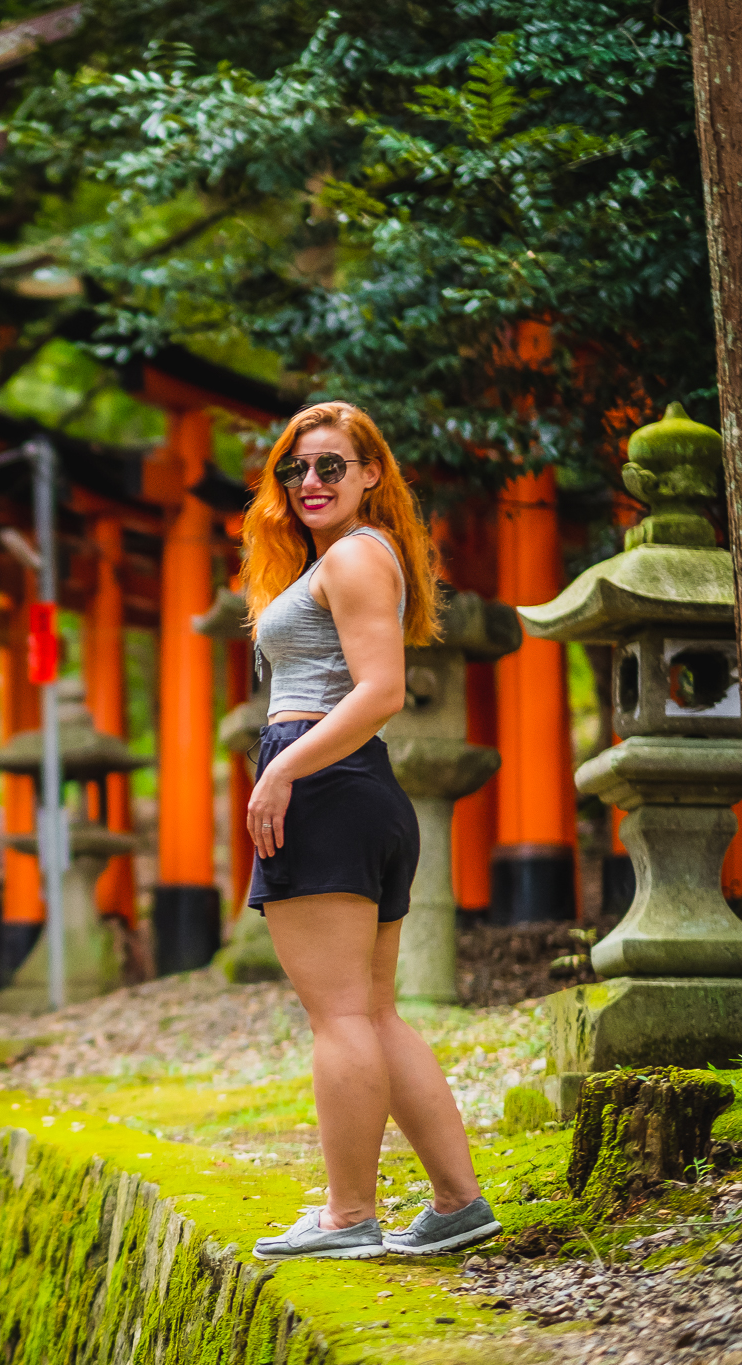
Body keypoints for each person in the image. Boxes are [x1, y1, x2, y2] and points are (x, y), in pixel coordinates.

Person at [242, 402, 498, 1262]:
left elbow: (383, 688)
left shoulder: (354, 555)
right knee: (377, 1013)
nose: (309, 482)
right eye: (295, 469)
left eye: (329, 466)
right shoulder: (363, 555)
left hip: (324, 784)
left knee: (341, 1016)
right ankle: (458, 1201)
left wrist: (281, 770)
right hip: (360, 789)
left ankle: (349, 1214)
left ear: (369, 474)